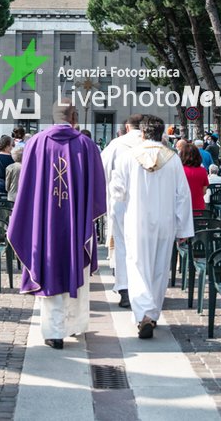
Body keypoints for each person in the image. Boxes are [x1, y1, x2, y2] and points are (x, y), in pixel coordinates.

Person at [7, 100, 107, 350]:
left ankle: (53, 332)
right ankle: (74, 325)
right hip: (76, 224)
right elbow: (97, 190)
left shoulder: (36, 143)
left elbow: (26, 188)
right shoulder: (86, 144)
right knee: (75, 268)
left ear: (53, 118)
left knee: (49, 267)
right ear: (74, 117)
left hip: (45, 223)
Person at [109, 114, 194, 339]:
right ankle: (153, 313)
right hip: (165, 221)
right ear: (161, 133)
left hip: (136, 220)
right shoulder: (173, 159)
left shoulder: (128, 156)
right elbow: (183, 196)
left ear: (143, 133)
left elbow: (117, 190)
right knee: (160, 268)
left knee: (137, 266)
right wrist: (183, 229)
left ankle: (143, 313)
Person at [100, 114, 144, 310]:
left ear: (127, 127)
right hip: (148, 204)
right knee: (146, 248)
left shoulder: (115, 146)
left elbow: (100, 173)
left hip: (120, 203)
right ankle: (145, 290)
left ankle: (125, 290)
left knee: (122, 247)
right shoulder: (155, 144)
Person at [178, 140, 208, 213]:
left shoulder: (179, 171)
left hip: (182, 207)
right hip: (198, 207)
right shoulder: (203, 171)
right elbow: (204, 191)